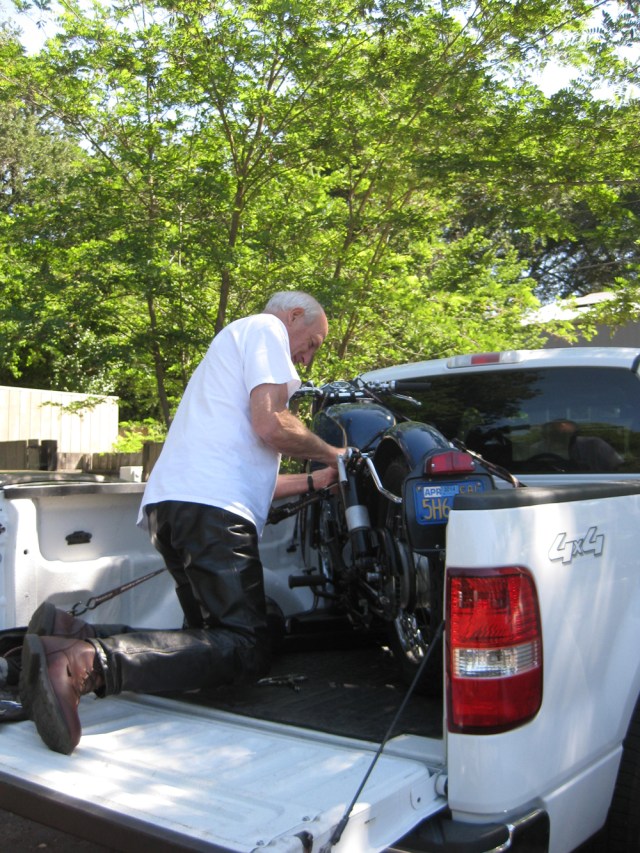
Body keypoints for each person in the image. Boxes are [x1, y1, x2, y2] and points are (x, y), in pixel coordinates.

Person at [20, 291, 345, 755]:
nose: (307, 358)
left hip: (179, 507)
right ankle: (81, 664)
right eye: (311, 342)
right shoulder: (265, 329)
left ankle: (72, 633)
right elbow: (272, 426)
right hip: (210, 511)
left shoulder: (229, 362)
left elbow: (253, 482)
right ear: (293, 316)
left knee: (207, 645)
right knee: (244, 646)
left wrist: (317, 481)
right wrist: (338, 455)